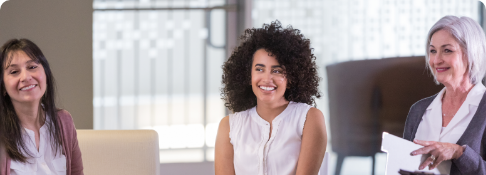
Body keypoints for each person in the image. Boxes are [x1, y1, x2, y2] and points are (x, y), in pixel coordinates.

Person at [215, 21, 327, 175]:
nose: (267, 79)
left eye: (277, 71)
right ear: (248, 75)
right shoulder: (229, 126)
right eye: (259, 69)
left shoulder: (309, 118)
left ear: (292, 77)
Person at [403, 16, 486, 174]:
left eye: (447, 50)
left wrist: (459, 153)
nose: (436, 60)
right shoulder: (418, 110)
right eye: (433, 51)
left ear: (471, 54)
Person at [0, 39, 83, 175]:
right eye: (14, 72)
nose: (26, 77)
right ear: (2, 86)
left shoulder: (64, 121)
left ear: (45, 74)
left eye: (32, 67)